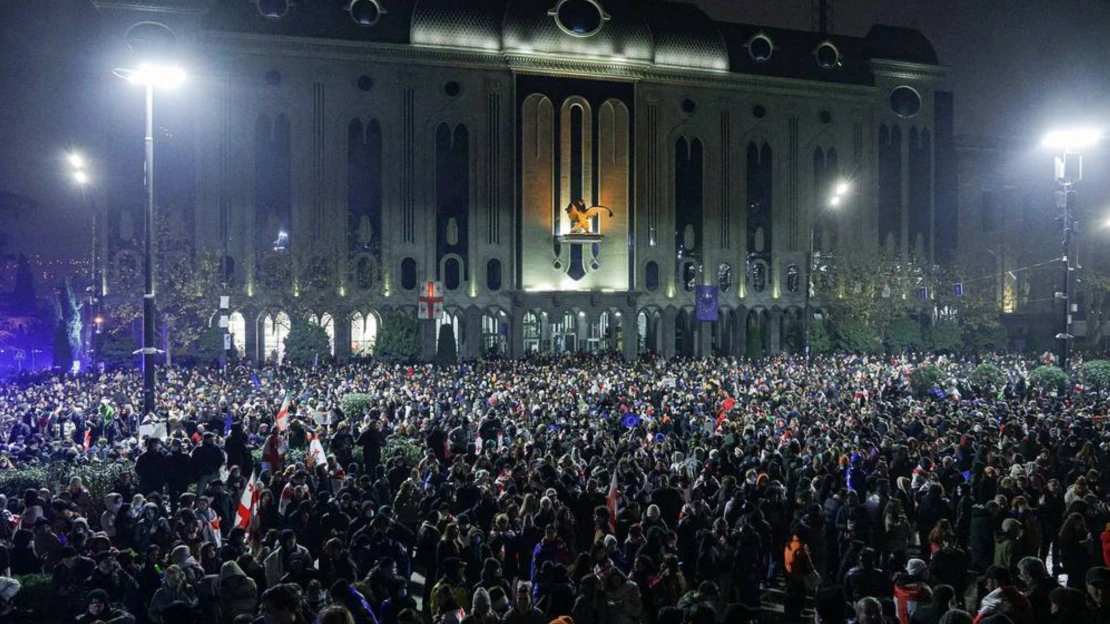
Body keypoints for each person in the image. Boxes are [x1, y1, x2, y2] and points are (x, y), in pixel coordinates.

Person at [893, 559, 933, 624]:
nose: (927, 571)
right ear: (920, 572)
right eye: (925, 568)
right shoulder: (923, 591)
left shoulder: (897, 586)